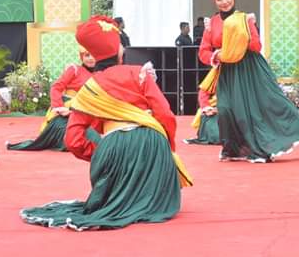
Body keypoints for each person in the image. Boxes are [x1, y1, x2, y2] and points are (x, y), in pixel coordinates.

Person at [21, 16, 192, 230]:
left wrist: (103, 152)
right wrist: (167, 148)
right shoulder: (139, 73)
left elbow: (73, 140)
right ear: (120, 51)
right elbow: (165, 114)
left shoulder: (89, 88)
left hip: (113, 146)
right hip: (153, 144)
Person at [198, 0, 299, 162]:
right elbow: (203, 52)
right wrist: (217, 55)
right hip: (228, 73)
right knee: (226, 109)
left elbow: (256, 46)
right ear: (215, 1)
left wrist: (243, 35)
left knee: (272, 103)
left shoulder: (245, 19)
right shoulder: (212, 23)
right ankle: (235, 149)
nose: (224, 2)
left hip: (250, 69)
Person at [7, 48, 96, 151]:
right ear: (81, 57)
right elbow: (56, 88)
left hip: (87, 111)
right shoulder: (74, 69)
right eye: (87, 55)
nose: (91, 58)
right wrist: (59, 107)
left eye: (93, 55)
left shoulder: (101, 74)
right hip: (67, 109)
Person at [185, 66, 221, 146]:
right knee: (215, 137)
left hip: (236, 111)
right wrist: (207, 107)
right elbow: (203, 92)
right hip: (215, 110)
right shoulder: (216, 73)